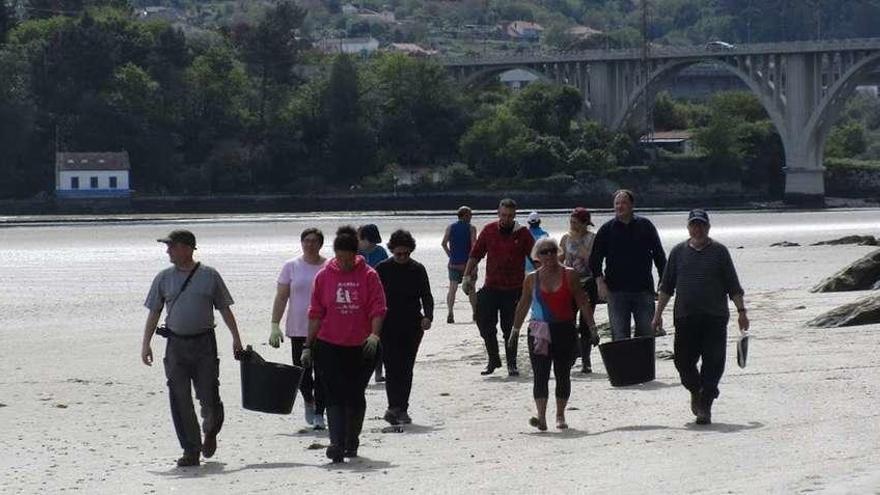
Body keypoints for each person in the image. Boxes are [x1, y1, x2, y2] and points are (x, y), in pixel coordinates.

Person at [141, 230, 244, 467]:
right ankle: (191, 449)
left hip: (204, 344)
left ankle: (210, 431)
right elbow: (154, 312)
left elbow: (225, 309)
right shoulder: (163, 278)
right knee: (179, 398)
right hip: (175, 345)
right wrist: (145, 344)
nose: (168, 251)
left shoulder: (210, 275)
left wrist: (236, 338)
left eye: (172, 246)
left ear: (187, 248)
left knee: (209, 395)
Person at [652, 209, 748, 425]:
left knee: (714, 363)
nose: (698, 228)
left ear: (708, 227)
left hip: (715, 317)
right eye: (694, 225)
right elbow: (666, 286)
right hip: (685, 317)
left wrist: (742, 312)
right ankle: (697, 389)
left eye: (702, 225)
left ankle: (705, 406)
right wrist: (657, 315)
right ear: (688, 227)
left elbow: (733, 285)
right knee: (683, 363)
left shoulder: (720, 252)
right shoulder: (677, 252)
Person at [306, 226, 387, 463]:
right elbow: (315, 313)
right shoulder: (323, 276)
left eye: (348, 258)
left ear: (356, 254)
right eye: (339, 258)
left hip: (362, 347)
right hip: (329, 345)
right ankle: (336, 443)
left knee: (353, 394)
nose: (343, 263)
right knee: (334, 394)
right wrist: (308, 346)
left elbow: (378, 308)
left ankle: (352, 441)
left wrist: (374, 335)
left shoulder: (369, 275)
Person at [509, 237, 596, 431]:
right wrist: (514, 331)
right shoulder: (531, 278)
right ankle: (541, 417)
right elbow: (523, 305)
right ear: (536, 256)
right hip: (539, 332)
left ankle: (560, 414)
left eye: (551, 251)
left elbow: (582, 301)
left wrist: (592, 328)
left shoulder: (570, 275)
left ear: (557, 252)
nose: (548, 255)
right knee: (540, 374)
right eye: (543, 252)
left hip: (564, 329)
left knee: (562, 373)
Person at [462, 198, 535, 377]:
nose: (506, 219)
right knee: (483, 322)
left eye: (510, 216)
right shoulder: (489, 230)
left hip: (514, 288)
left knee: (510, 328)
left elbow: (536, 258)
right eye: (503, 215)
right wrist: (466, 276)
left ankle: (512, 363)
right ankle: (493, 358)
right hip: (491, 286)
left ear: (515, 215)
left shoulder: (523, 233)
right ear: (498, 213)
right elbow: (475, 254)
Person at [269, 228, 327, 430]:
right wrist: (274, 324)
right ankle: (308, 400)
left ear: (320, 244)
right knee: (302, 372)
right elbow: (282, 296)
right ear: (301, 243)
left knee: (323, 373)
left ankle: (320, 412)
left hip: (324, 329)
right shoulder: (291, 266)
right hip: (297, 327)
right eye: (306, 241)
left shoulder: (329, 266)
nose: (310, 244)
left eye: (314, 241)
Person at [590, 189, 666, 341]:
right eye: (617, 203)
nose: (619, 206)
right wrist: (600, 282)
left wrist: (663, 282)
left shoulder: (645, 226)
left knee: (646, 335)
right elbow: (595, 259)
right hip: (616, 291)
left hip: (643, 290)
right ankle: (623, 365)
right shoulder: (607, 229)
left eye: (623, 203)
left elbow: (659, 256)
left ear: (632, 205)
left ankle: (643, 365)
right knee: (619, 337)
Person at [376, 229, 434, 426]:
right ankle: (394, 406)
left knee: (406, 367)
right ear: (392, 250)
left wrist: (428, 316)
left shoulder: (417, 269)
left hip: (412, 325)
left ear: (411, 251)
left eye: (406, 253)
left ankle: (402, 408)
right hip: (387, 324)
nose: (402, 257)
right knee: (391, 366)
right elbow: (374, 297)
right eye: (398, 253)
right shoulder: (382, 268)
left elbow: (426, 295)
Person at [559, 207, 599, 374]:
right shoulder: (565, 238)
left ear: (585, 224)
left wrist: (578, 243)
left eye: (575, 222)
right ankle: (572, 354)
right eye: (571, 222)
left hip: (588, 283)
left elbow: (592, 261)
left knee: (586, 321)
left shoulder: (593, 238)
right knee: (568, 321)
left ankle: (586, 360)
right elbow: (560, 259)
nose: (572, 225)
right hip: (569, 284)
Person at [358, 223, 389, 383]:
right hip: (357, 301)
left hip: (376, 299)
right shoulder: (353, 252)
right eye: (369, 241)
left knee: (377, 337)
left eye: (374, 242)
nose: (371, 245)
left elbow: (386, 275)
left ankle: (378, 372)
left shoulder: (381, 252)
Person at [441, 206, 477, 324]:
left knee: (452, 289)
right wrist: (474, 263)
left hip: (454, 263)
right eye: (469, 214)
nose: (471, 217)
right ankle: (475, 312)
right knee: (471, 289)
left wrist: (450, 256)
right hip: (467, 264)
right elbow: (473, 246)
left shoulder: (450, 227)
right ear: (464, 215)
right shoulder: (471, 228)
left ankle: (450, 311)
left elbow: (444, 243)